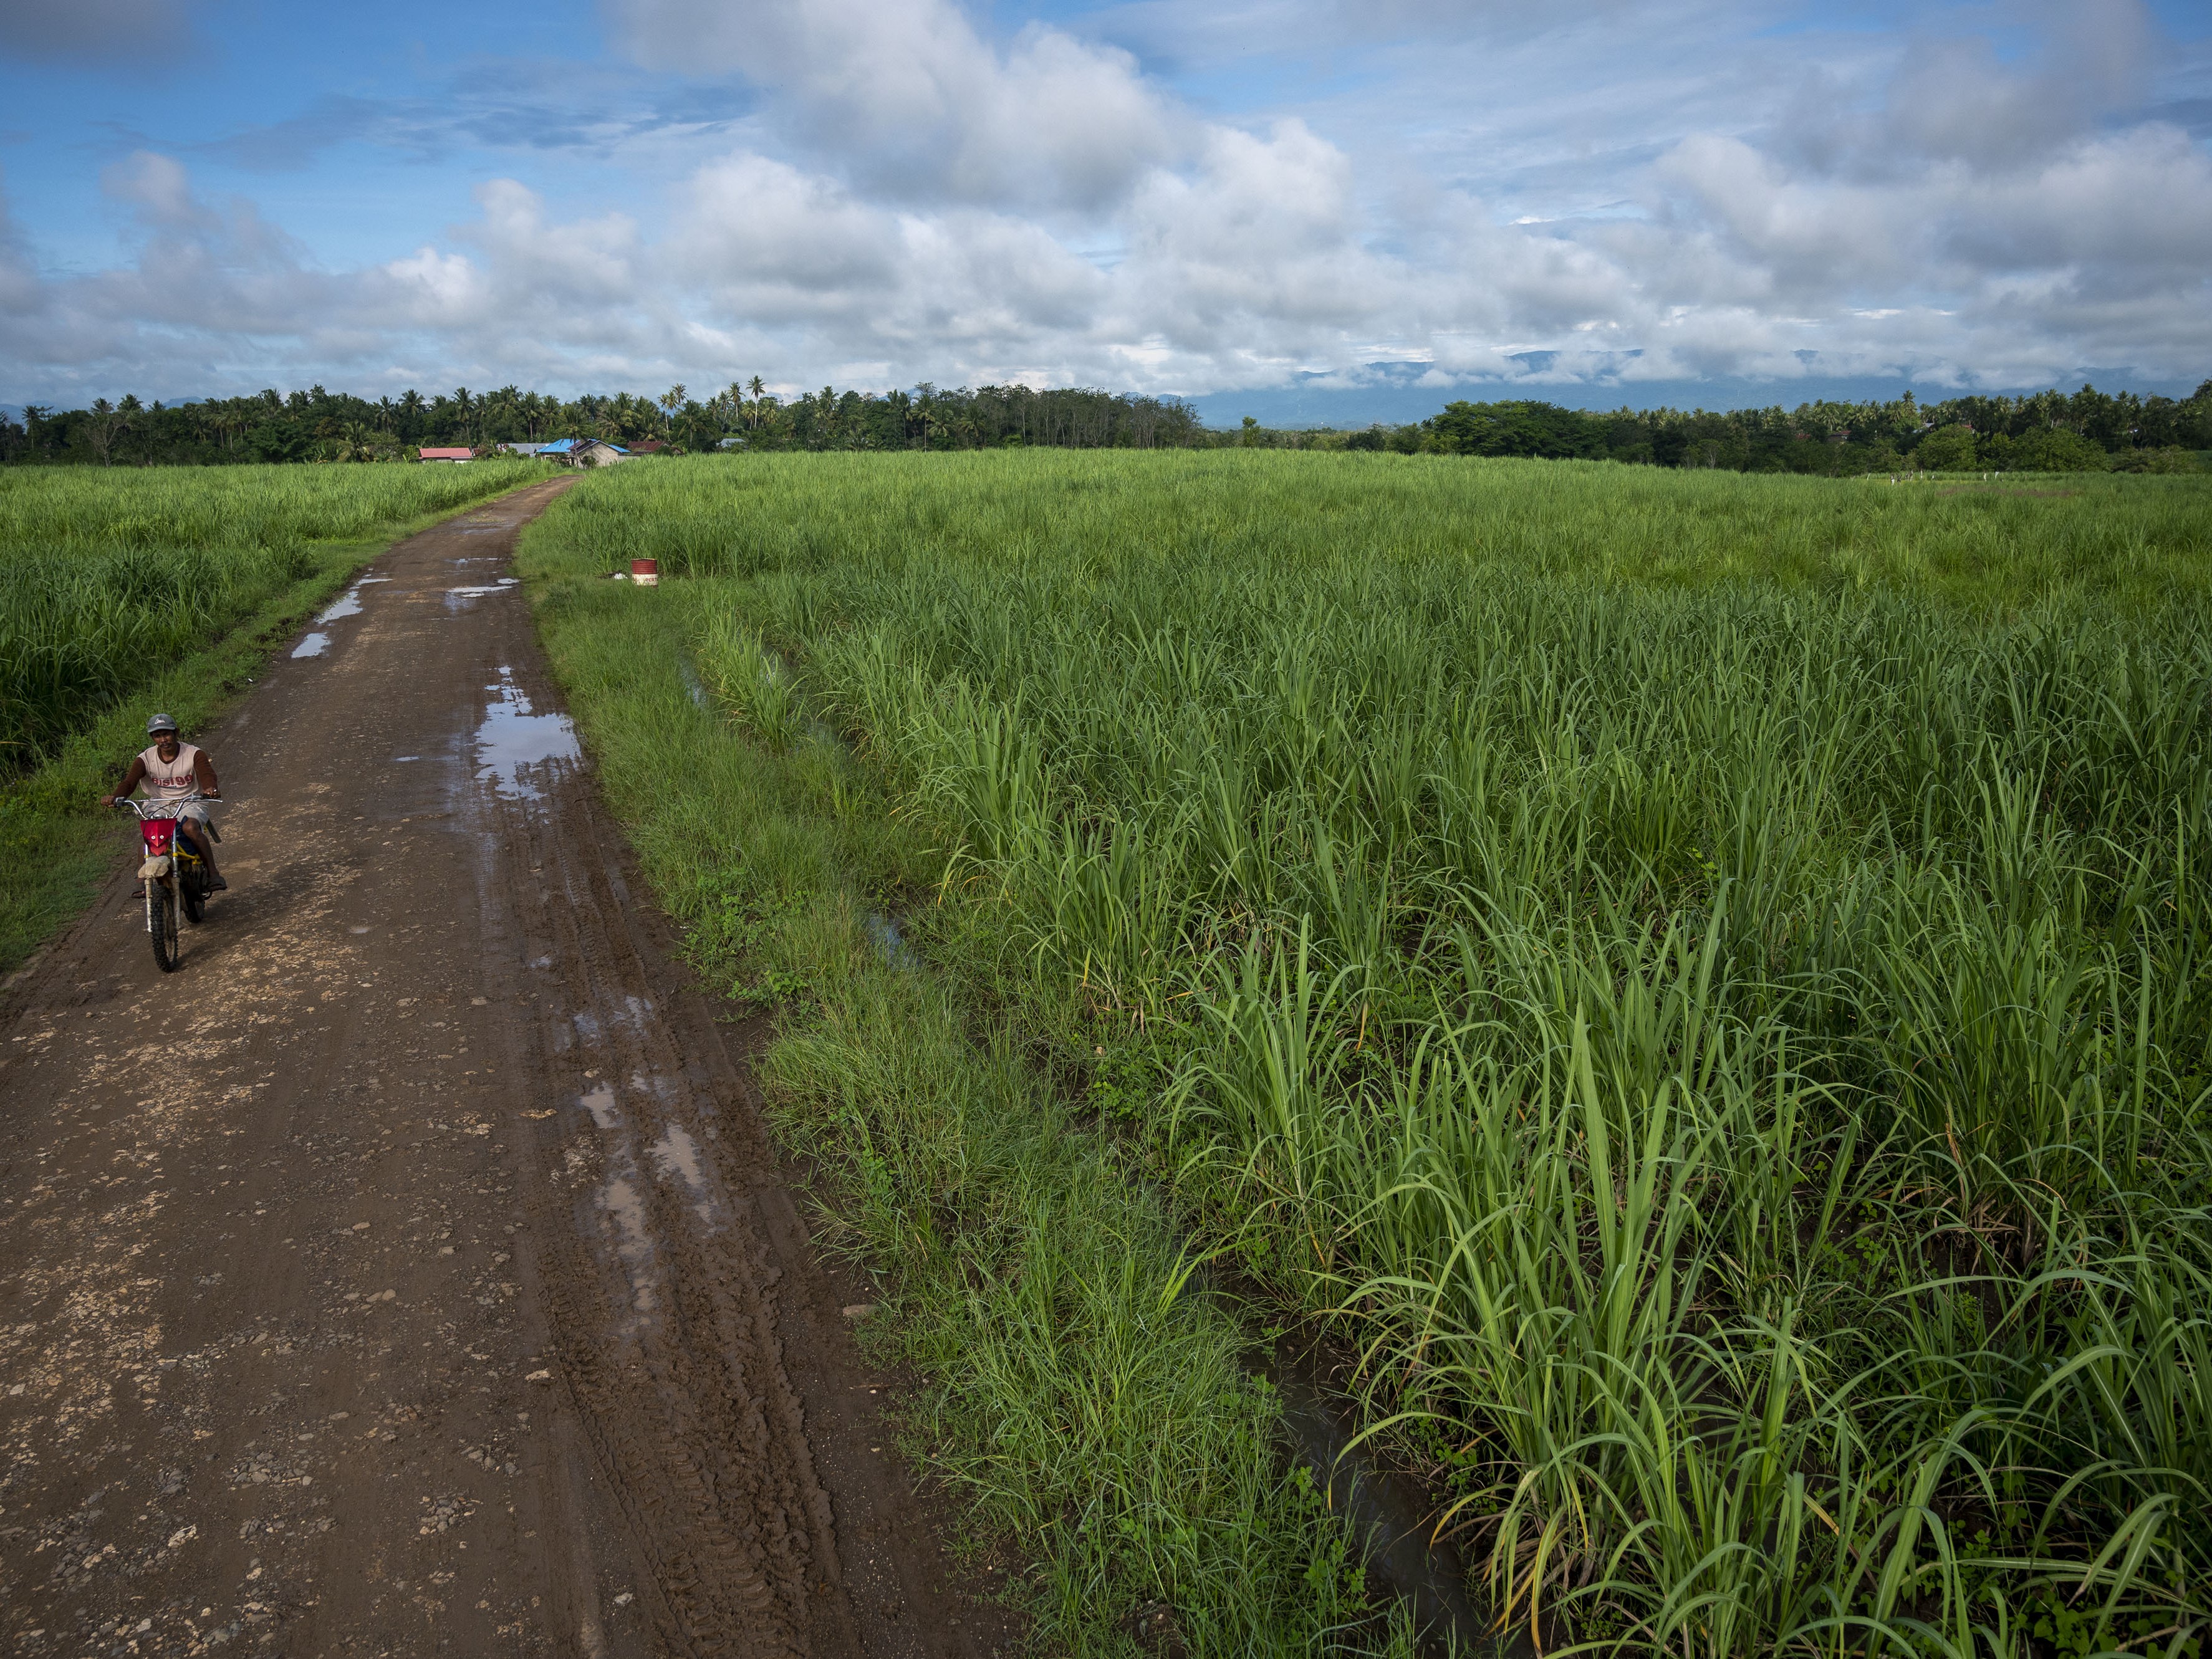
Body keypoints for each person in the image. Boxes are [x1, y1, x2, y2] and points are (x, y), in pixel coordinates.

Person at [103, 713, 227, 891]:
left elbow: (207, 774)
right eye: (158, 736)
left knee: (191, 828)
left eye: (167, 734)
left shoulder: (193, 754)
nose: (163, 740)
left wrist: (210, 789)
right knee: (150, 837)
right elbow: (129, 782)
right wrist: (115, 797)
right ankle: (143, 883)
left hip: (190, 801)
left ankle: (213, 873)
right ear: (153, 738)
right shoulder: (145, 758)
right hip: (159, 803)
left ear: (176, 733)